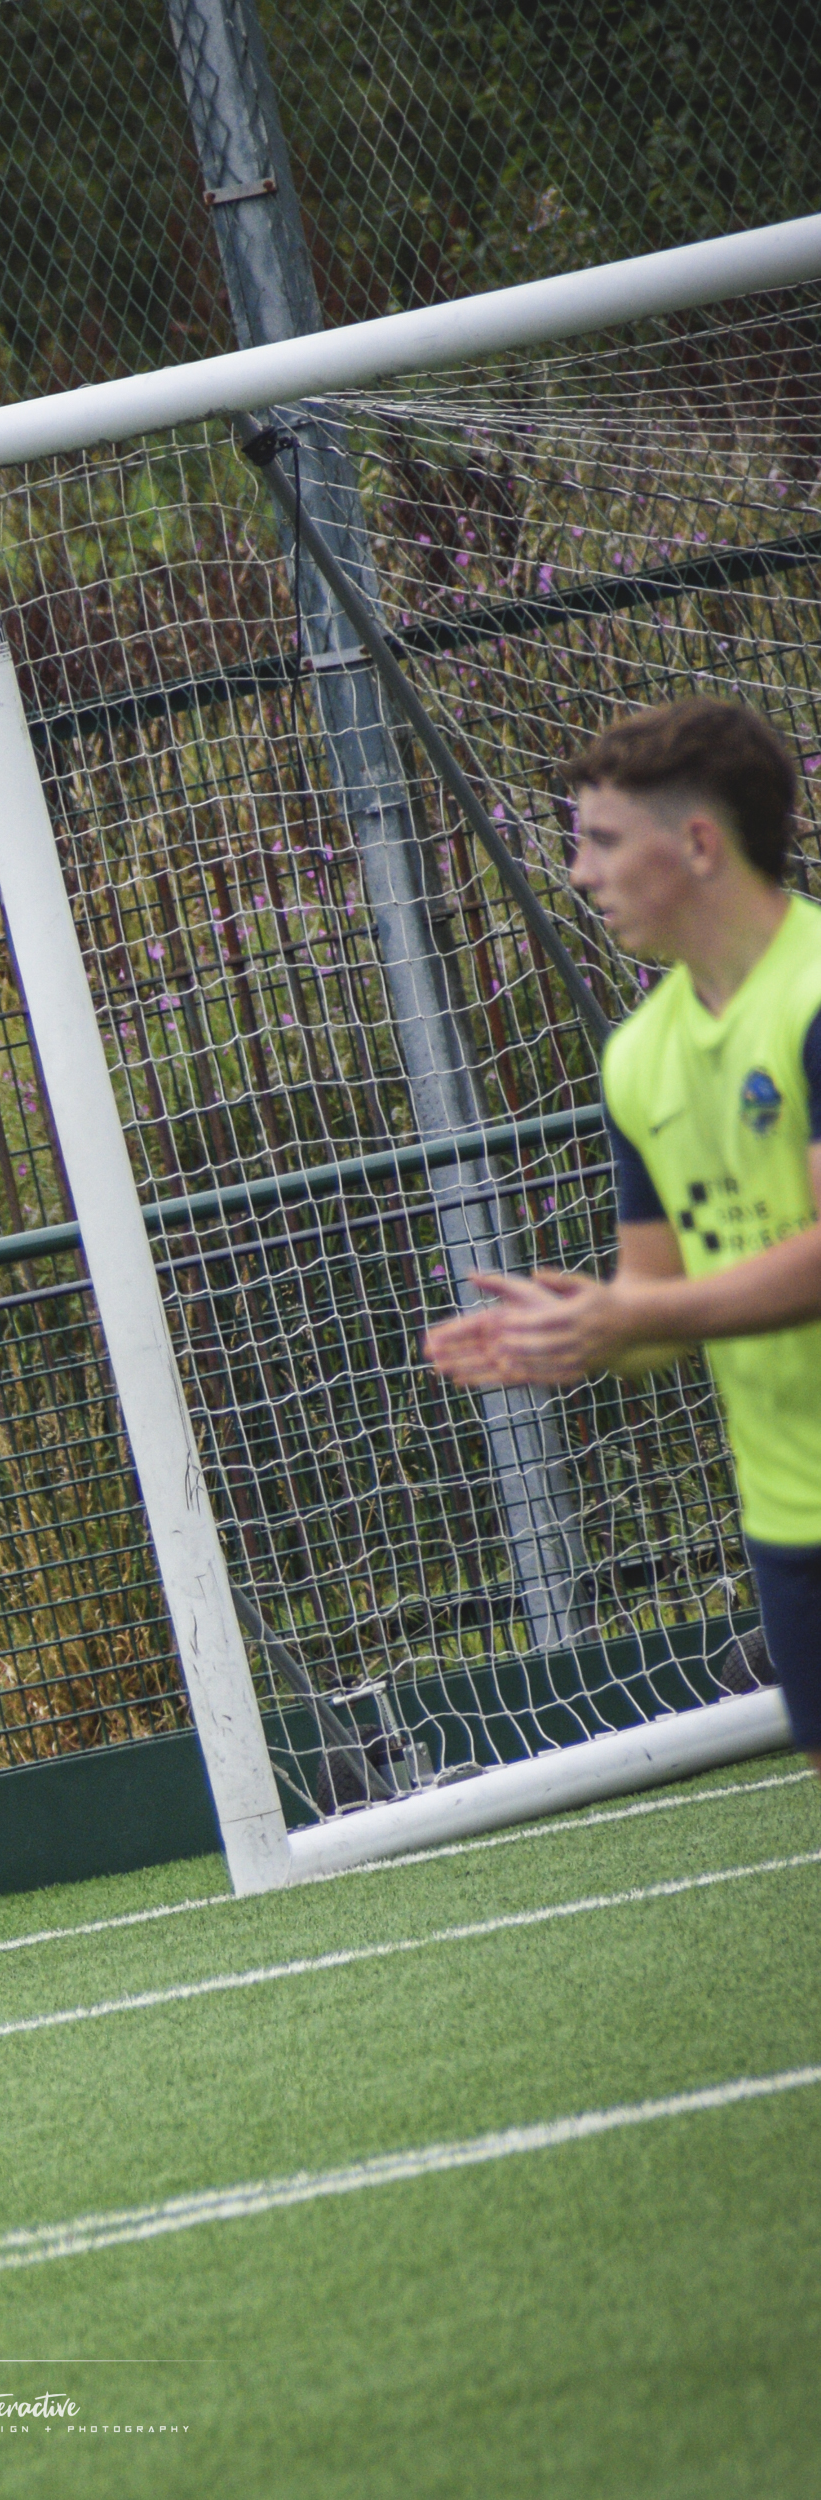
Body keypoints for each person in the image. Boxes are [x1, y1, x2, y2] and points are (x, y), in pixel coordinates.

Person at [424, 697, 821, 1782]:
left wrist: (634, 1312)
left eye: (598, 841)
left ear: (695, 843)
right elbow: (654, 1299)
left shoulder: (814, 995)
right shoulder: (637, 1058)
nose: (575, 873)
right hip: (789, 1511)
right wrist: (580, 1337)